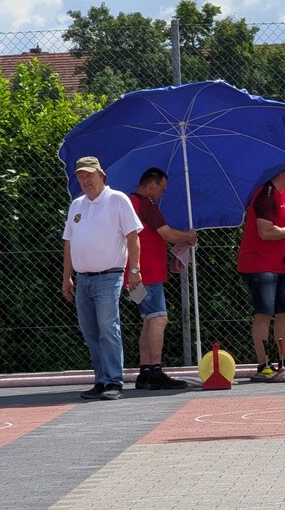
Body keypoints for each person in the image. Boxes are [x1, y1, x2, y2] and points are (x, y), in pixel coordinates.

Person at [61, 156, 143, 401]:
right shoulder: (76, 205)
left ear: (101, 175)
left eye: (89, 175)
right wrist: (67, 277)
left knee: (107, 328)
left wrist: (134, 270)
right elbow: (68, 243)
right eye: (81, 176)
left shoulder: (118, 199)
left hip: (109, 276)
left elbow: (133, 236)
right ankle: (101, 379)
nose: (85, 180)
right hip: (82, 278)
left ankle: (114, 381)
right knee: (90, 331)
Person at [126, 167, 198, 390]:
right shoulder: (147, 204)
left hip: (134, 271)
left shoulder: (129, 202)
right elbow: (167, 234)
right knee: (159, 318)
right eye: (162, 188)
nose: (162, 193)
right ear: (151, 184)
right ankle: (155, 370)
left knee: (149, 319)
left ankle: (145, 371)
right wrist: (188, 236)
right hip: (148, 271)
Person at [237, 163, 285, 382]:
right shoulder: (266, 195)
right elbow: (265, 232)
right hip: (260, 264)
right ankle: (263, 364)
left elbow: (283, 227)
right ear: (284, 172)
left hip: (280, 263)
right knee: (264, 314)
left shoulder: (284, 193)